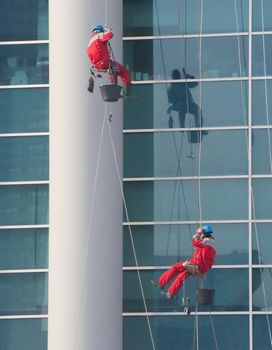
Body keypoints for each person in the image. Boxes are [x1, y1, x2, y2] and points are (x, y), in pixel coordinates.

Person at [151, 225, 216, 299]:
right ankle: (170, 293)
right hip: (200, 267)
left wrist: (197, 233)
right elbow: (199, 252)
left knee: (175, 267)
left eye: (201, 234)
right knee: (181, 276)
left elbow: (194, 242)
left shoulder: (207, 241)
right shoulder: (209, 242)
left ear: (204, 233)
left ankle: (161, 283)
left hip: (197, 265)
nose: (200, 235)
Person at [87, 25, 132, 95]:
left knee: (112, 69)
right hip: (104, 62)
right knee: (123, 71)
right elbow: (109, 35)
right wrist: (108, 30)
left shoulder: (90, 43)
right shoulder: (99, 35)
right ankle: (127, 92)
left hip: (96, 65)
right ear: (101, 31)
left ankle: (113, 87)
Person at [167, 69, 206, 141]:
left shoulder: (182, 83)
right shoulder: (173, 87)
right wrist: (177, 102)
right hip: (181, 106)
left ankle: (198, 127)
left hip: (188, 105)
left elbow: (195, 83)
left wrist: (189, 76)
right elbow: (170, 99)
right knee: (183, 113)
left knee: (197, 110)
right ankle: (183, 127)